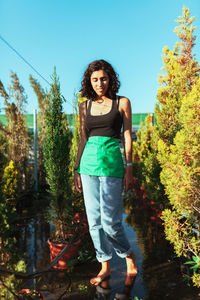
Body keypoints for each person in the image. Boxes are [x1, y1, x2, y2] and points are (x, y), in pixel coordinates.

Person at [74, 59, 137, 286]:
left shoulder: (122, 102)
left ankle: (128, 255)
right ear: (89, 82)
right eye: (95, 79)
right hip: (88, 165)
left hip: (111, 164)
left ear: (110, 79)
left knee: (111, 221)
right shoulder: (84, 106)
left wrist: (129, 168)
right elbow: (83, 139)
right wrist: (76, 169)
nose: (99, 83)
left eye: (103, 78)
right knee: (94, 221)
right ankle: (105, 265)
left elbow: (127, 136)